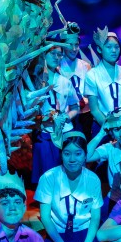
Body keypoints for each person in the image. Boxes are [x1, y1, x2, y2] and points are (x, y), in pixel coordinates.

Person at [35, 131, 104, 242]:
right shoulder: (49, 178)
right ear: (61, 154)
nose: (72, 159)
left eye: (78, 153)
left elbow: (95, 217)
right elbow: (45, 217)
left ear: (85, 155)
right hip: (57, 235)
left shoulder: (93, 179)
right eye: (67, 153)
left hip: (85, 233)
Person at [31, 44, 79, 184]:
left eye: (59, 54)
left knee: (66, 174)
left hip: (65, 133)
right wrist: (41, 119)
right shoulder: (35, 82)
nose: (57, 57)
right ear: (43, 55)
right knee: (48, 177)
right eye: (53, 53)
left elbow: (75, 107)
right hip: (44, 133)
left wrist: (66, 116)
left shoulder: (65, 82)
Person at [84, 27, 121, 137]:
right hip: (102, 126)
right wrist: (111, 129)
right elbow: (95, 109)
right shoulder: (92, 75)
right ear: (99, 49)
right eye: (109, 47)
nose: (113, 50)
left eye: (116, 47)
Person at [59, 22, 93, 140]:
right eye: (70, 45)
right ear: (63, 45)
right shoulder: (58, 67)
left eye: (76, 45)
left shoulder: (85, 66)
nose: (74, 49)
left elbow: (90, 92)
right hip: (67, 116)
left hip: (85, 115)